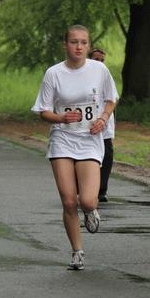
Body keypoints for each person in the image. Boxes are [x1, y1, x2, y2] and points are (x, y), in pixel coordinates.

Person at [32, 25, 118, 271]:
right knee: (69, 201)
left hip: (90, 139)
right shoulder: (54, 73)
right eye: (73, 42)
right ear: (65, 44)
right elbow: (43, 111)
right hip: (63, 138)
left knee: (88, 201)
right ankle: (77, 251)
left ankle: (91, 211)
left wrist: (103, 118)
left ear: (88, 46)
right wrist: (61, 118)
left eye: (83, 42)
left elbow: (111, 98)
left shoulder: (99, 70)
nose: (78, 47)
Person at [89, 47, 117, 202]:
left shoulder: (106, 75)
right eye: (96, 59)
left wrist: (106, 118)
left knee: (106, 155)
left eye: (102, 60)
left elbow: (113, 98)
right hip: (87, 125)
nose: (99, 63)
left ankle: (101, 190)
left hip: (104, 124)